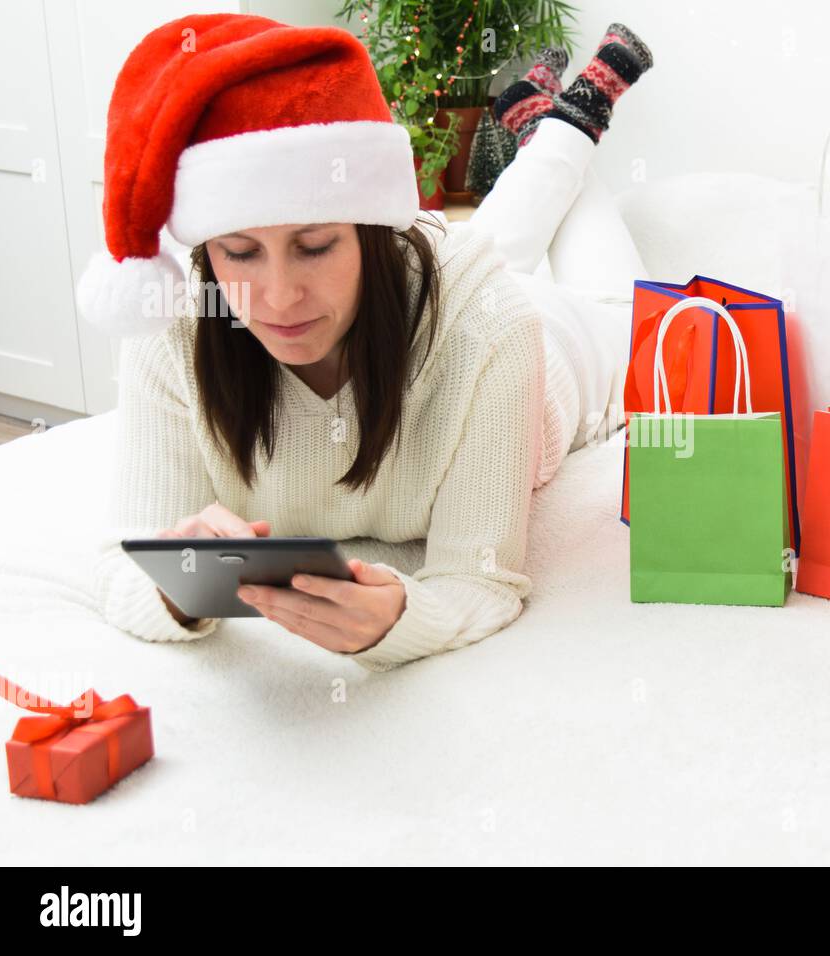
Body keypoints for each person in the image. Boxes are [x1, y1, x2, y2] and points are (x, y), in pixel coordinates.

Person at [78, 14, 652, 672]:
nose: (279, 295)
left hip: (561, 342)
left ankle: (574, 119)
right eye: (240, 252)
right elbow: (124, 566)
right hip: (428, 287)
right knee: (494, 247)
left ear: (370, 231)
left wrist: (400, 619)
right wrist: (176, 592)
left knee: (624, 302)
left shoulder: (491, 328)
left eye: (315, 246)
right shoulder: (175, 326)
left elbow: (482, 582)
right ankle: (544, 123)